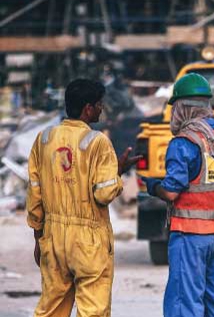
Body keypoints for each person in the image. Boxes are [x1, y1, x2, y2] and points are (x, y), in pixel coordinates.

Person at [26, 78, 140, 317]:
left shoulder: (44, 139)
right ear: (88, 108)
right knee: (93, 311)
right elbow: (104, 192)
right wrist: (117, 174)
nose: (101, 109)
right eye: (99, 104)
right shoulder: (97, 142)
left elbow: (35, 194)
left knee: (51, 308)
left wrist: (39, 239)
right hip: (88, 241)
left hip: (53, 238)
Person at [142, 73, 214, 317]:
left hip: (191, 236)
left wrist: (152, 186)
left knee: (185, 303)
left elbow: (170, 192)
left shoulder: (184, 142)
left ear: (182, 108)